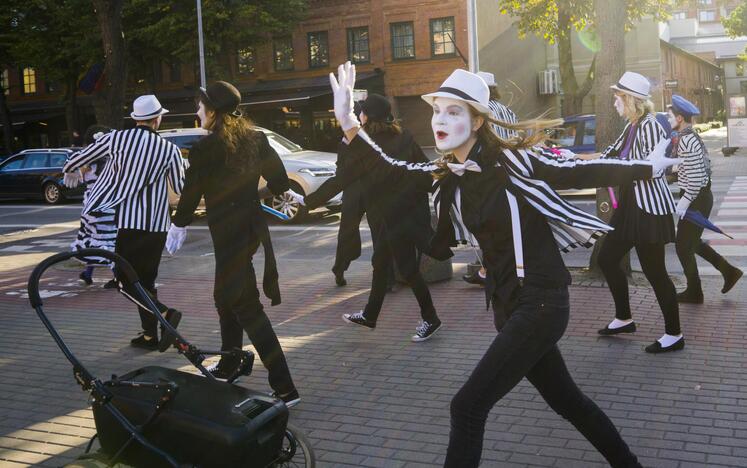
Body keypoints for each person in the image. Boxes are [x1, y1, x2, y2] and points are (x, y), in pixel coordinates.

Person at [329, 62, 680, 467]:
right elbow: (394, 168)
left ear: (477, 120)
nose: (440, 119)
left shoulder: (511, 161)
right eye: (437, 110)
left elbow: (577, 168)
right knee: (570, 402)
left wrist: (646, 168)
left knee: (467, 408)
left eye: (454, 111)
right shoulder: (450, 173)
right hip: (508, 306)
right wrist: (350, 125)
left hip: (541, 301)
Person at [166, 81, 299, 407]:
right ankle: (231, 362)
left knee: (246, 307)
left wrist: (178, 223)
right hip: (249, 230)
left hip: (228, 234)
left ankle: (285, 388)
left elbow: (192, 190)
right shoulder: (256, 138)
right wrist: (267, 195)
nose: (197, 111)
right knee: (224, 296)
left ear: (212, 111)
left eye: (200, 106)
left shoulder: (205, 148)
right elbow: (279, 179)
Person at [289, 93, 441, 342]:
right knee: (382, 264)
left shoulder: (365, 145)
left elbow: (342, 178)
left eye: (361, 111)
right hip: (406, 211)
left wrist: (308, 200)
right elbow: (424, 169)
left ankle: (431, 318)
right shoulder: (404, 136)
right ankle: (371, 315)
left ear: (367, 116)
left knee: (405, 268)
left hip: (385, 216)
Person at [64, 95, 185, 352]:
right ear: (157, 119)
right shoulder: (170, 150)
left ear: (134, 118)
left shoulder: (116, 138)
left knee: (124, 281)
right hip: (157, 225)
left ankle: (165, 313)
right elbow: (180, 188)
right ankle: (150, 336)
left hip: (129, 225)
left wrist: (71, 170)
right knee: (146, 282)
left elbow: (78, 158)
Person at [595, 72, 684, 354]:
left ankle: (674, 334)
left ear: (631, 100)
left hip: (648, 210)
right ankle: (624, 318)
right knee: (608, 259)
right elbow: (611, 154)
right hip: (631, 206)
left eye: (619, 97)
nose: (615, 101)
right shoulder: (631, 126)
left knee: (655, 273)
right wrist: (574, 162)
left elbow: (648, 168)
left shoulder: (648, 127)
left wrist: (614, 169)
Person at [668, 95, 743, 303]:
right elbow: (695, 168)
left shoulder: (686, 140)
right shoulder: (691, 136)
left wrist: (684, 203)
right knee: (692, 243)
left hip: (696, 198)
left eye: (670, 115)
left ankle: (695, 291)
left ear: (680, 118)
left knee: (683, 246)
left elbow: (695, 179)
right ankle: (729, 271)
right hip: (699, 196)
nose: (668, 119)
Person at [462, 71, 520, 287]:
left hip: (488, 176)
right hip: (510, 172)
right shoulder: (508, 111)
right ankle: (491, 270)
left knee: (488, 226)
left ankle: (491, 271)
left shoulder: (481, 113)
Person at [66, 125, 117, 289]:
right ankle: (115, 276)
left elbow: (75, 174)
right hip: (109, 203)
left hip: (90, 205)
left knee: (92, 240)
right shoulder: (113, 160)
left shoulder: (85, 162)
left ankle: (88, 274)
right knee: (109, 241)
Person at [331, 102, 366, 287]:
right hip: (352, 192)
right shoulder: (343, 144)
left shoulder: (369, 140)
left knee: (383, 232)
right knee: (346, 232)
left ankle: (389, 276)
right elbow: (340, 169)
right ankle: (339, 268)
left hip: (372, 190)